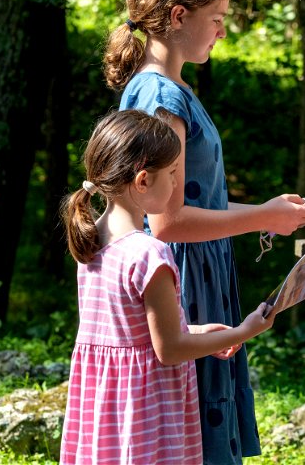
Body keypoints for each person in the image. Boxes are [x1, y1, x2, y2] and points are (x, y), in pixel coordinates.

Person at [102, 0, 305, 463]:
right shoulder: (159, 97)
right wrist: (265, 217)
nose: (223, 30)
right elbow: (166, 222)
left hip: (202, 269)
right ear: (179, 16)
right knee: (190, 430)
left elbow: (193, 199)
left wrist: (267, 212)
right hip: (182, 277)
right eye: (217, 17)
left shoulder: (175, 89)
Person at [59, 109, 275, 464]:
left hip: (106, 413)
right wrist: (244, 330)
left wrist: (198, 329)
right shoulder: (149, 254)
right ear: (142, 181)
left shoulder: (91, 240)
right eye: (173, 174)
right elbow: (169, 349)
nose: (178, 184)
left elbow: (134, 333)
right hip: (147, 414)